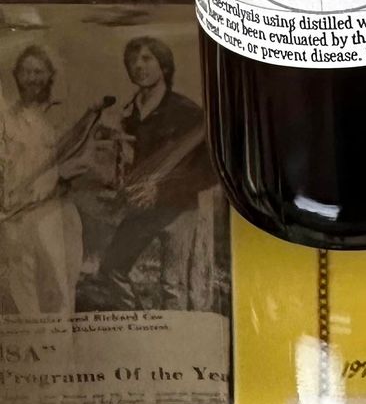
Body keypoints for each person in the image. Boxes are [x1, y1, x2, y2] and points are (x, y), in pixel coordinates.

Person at [89, 37, 212, 310]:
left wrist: (162, 189)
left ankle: (173, 344)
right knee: (111, 268)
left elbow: (210, 170)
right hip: (141, 210)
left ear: (164, 66)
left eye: (146, 59)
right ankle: (141, 324)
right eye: (132, 61)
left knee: (173, 285)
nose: (138, 66)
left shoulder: (187, 112)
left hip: (179, 210)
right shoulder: (128, 114)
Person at [0, 44, 85, 316]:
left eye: (38, 71)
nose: (32, 78)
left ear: (50, 75)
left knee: (59, 281)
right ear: (16, 76)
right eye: (25, 72)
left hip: (55, 210)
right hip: (16, 212)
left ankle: (60, 348)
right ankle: (36, 345)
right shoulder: (7, 118)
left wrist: (53, 177)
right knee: (21, 281)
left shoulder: (65, 115)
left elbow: (81, 158)